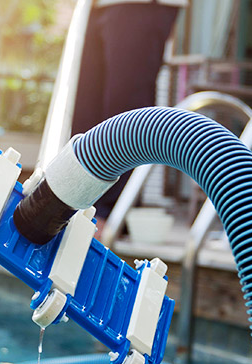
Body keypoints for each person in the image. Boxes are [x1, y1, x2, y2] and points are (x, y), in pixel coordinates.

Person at [71, 0, 185, 222]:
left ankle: (109, 215)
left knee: (125, 114)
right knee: (84, 113)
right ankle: (78, 206)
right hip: (92, 7)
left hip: (141, 5)